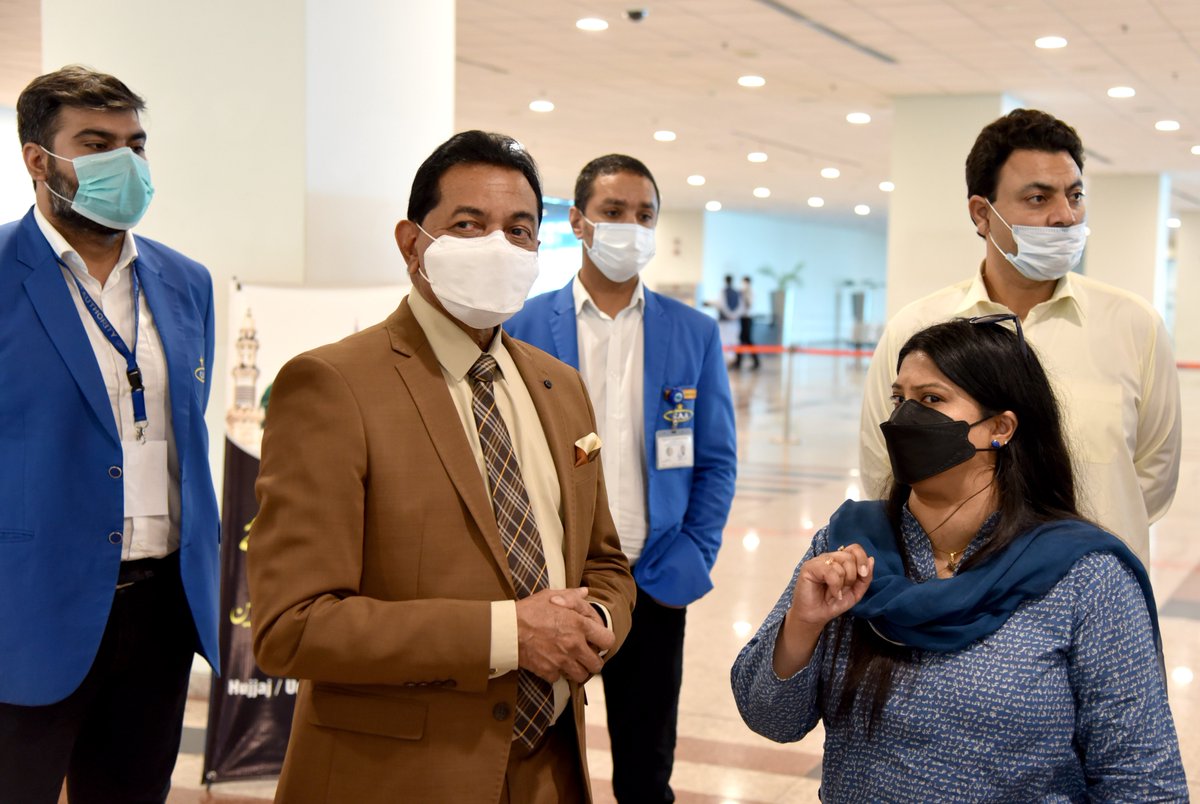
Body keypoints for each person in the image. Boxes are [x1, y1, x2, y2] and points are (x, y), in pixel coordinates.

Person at [248, 131, 636, 804]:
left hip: (550, 767)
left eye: (519, 230)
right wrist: (507, 633)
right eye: (468, 224)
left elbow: (603, 561)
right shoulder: (333, 385)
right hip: (396, 776)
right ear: (411, 244)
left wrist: (595, 618)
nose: (498, 246)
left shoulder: (559, 387)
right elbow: (294, 626)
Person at [732, 317, 1186, 801]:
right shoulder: (852, 547)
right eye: (898, 398)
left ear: (1000, 428)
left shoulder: (1083, 574)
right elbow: (770, 717)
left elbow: (1141, 775)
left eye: (931, 399)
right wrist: (804, 624)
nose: (904, 418)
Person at [0, 66, 220, 803]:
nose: (124, 162)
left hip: (160, 609)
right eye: (96, 144)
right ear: (39, 160)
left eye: (135, 143)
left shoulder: (187, 283)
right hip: (26, 610)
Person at [507, 154, 737, 802]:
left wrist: (695, 550)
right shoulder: (524, 326)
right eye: (613, 213)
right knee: (538, 764)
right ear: (579, 221)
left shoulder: (691, 332)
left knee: (645, 773)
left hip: (654, 583)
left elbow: (716, 458)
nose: (629, 227)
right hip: (551, 586)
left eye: (644, 215)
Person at [859, 109, 1181, 567]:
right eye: (1037, 198)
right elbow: (884, 470)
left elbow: (1152, 478)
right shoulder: (917, 329)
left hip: (1098, 590)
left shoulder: (1134, 325)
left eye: (1075, 195)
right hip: (961, 597)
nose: (1064, 217)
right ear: (981, 213)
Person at [732, 274, 760, 370]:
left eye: (744, 282)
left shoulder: (750, 291)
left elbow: (749, 304)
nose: (743, 284)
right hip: (742, 317)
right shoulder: (743, 291)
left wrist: (744, 295)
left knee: (747, 340)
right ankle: (738, 362)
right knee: (741, 340)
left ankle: (756, 362)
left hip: (747, 318)